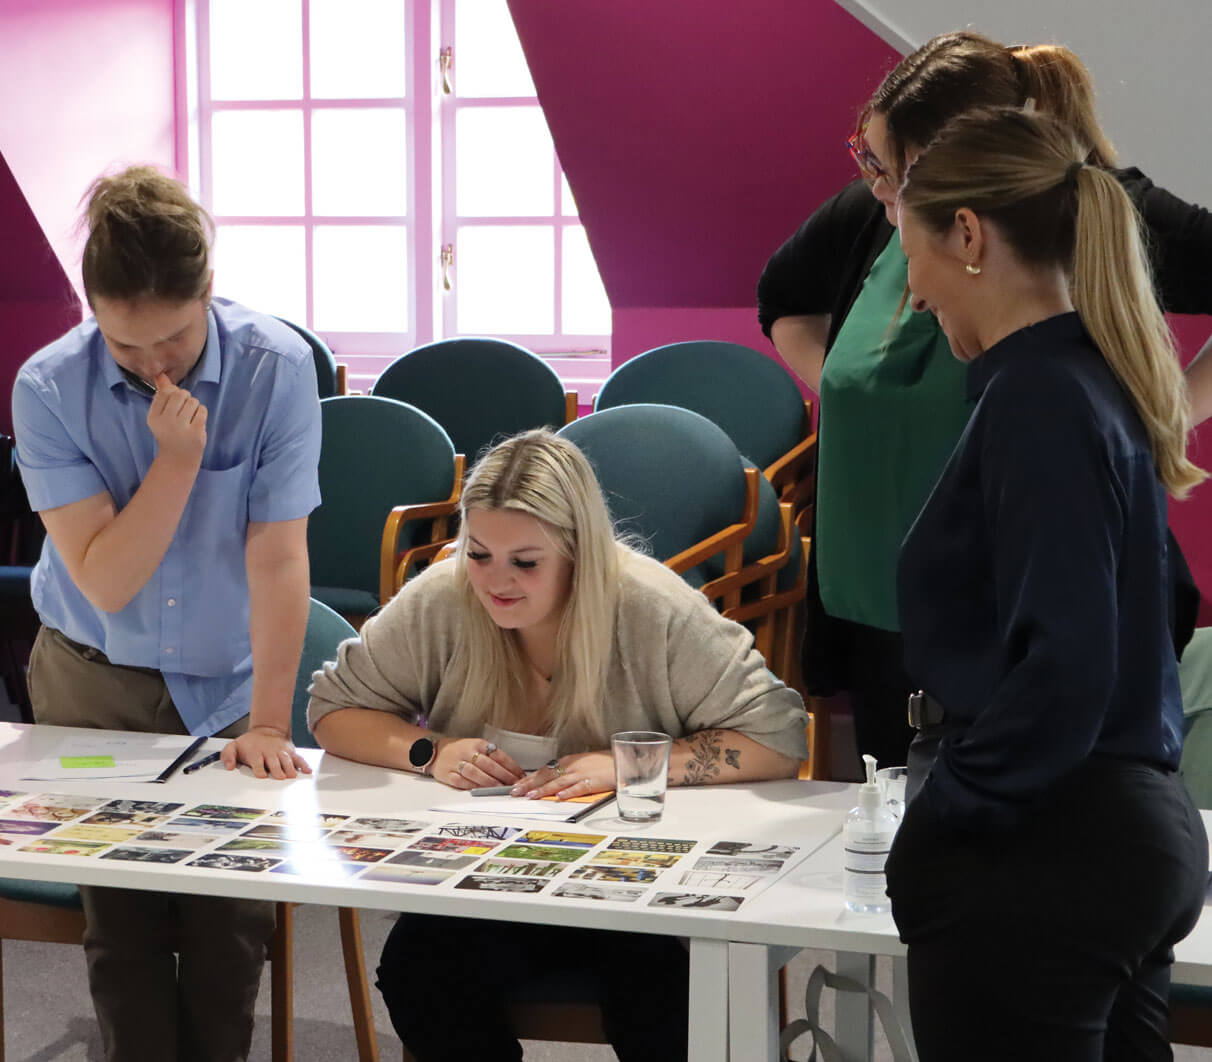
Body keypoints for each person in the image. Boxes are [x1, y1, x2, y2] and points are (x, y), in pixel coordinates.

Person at [757, 31, 1212, 768]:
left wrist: (1165, 412)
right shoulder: (875, 222)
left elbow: (1062, 693)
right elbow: (782, 297)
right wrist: (850, 392)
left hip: (1010, 633)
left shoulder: (1046, 390)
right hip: (892, 610)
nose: (874, 185)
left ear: (964, 217)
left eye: (891, 168)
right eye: (866, 159)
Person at [307, 429, 807, 1062]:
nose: (496, 581)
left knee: (660, 997)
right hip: (483, 881)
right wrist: (428, 751)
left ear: (578, 553)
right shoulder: (445, 596)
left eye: (526, 562)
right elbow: (333, 708)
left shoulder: (652, 608)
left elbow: (779, 737)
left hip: (635, 887)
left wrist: (627, 766)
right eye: (479, 553)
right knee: (419, 972)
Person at [885, 106, 1209, 1060]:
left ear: (968, 235)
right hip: (1121, 833)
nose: (913, 293)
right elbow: (1167, 604)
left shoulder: (1039, 398)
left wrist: (947, 817)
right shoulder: (1093, 382)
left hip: (1046, 847)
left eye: (910, 255)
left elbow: (1067, 664)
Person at [12, 165, 321, 1061]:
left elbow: (277, 555)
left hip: (227, 682)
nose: (155, 366)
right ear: (91, 314)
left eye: (175, 340)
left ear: (209, 291)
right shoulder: (47, 388)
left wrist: (269, 721)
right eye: (125, 345)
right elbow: (107, 580)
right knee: (124, 929)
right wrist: (178, 462)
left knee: (230, 927)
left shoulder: (276, 367)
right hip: (94, 676)